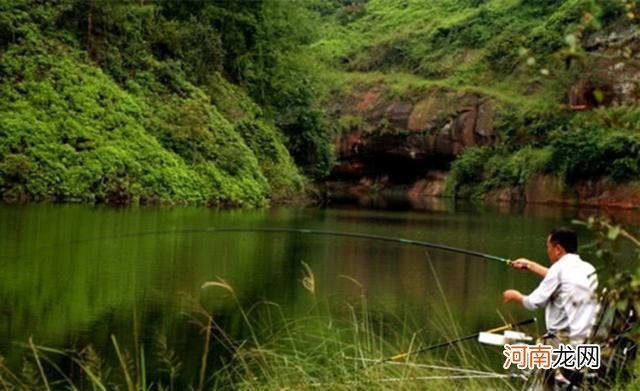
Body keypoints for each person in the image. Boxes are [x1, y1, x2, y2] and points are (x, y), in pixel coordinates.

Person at [502, 227, 599, 389]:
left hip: (562, 343)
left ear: (558, 249)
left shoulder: (558, 270)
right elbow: (562, 279)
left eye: (548, 247)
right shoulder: (588, 269)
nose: (547, 251)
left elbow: (531, 303)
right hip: (587, 341)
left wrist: (515, 295)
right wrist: (530, 265)